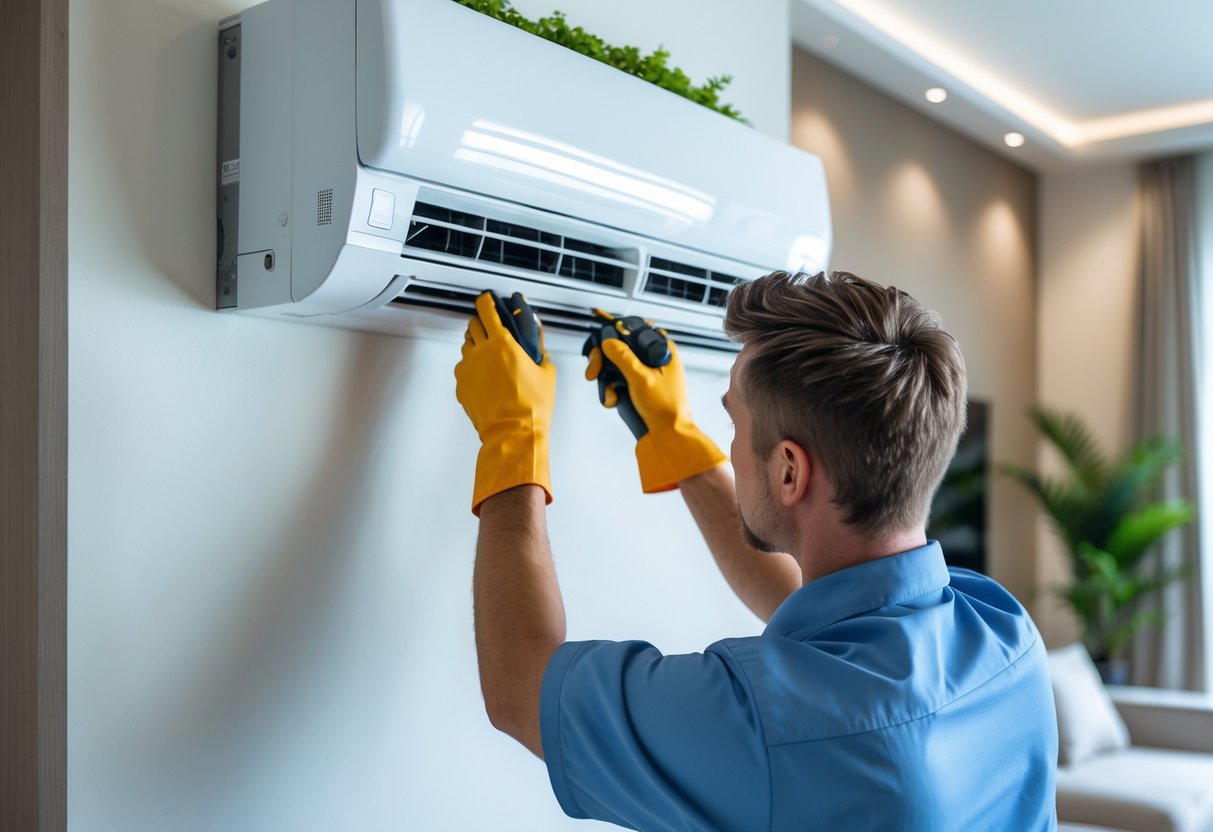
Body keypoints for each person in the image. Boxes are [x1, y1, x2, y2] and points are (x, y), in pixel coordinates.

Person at [454, 270, 1058, 832]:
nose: (734, 446)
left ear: (791, 470)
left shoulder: (766, 727)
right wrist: (678, 442)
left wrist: (513, 436)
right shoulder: (1004, 632)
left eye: (735, 428)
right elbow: (822, 627)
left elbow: (521, 688)